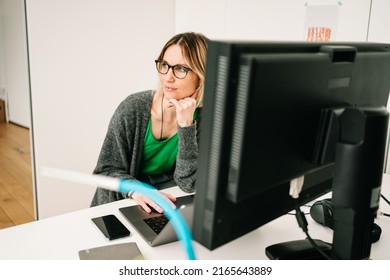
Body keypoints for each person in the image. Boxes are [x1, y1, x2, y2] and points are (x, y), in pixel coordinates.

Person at [90, 32, 208, 213]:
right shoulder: (133, 108)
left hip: (162, 205)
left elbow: (188, 183)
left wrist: (186, 127)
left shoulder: (200, 119)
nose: (168, 77)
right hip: (119, 204)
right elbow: (104, 171)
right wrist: (137, 190)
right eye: (165, 65)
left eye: (181, 69)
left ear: (201, 77)